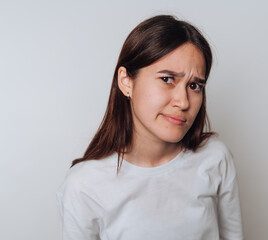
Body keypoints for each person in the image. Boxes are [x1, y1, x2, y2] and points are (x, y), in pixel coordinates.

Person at [56, 15, 243, 240]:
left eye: (194, 86)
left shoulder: (215, 157)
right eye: (167, 79)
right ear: (126, 82)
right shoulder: (84, 185)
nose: (183, 102)